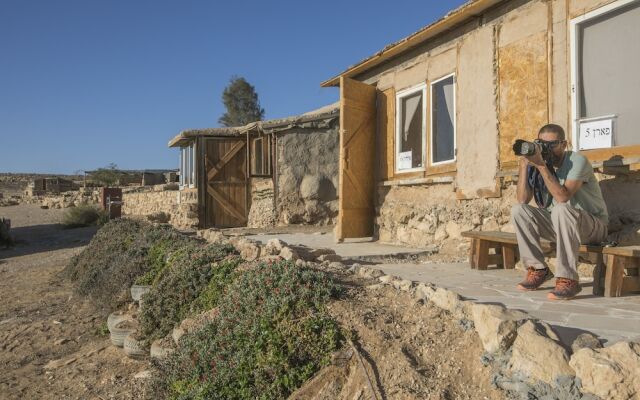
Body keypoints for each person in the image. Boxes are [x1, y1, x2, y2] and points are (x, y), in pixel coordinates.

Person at [511, 124, 608, 300]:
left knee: (561, 209)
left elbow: (563, 197)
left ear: (564, 144)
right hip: (561, 225)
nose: (546, 149)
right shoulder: (539, 163)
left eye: (552, 144)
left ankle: (567, 279)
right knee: (519, 210)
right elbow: (522, 199)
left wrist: (541, 165)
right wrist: (525, 165)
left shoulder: (577, 161)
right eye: (541, 143)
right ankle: (538, 270)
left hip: (593, 226)